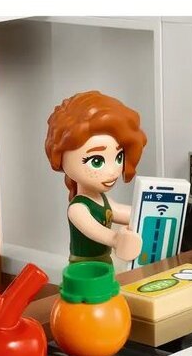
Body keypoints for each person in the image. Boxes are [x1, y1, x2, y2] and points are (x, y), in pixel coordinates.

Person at [45, 91, 147, 264]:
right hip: (83, 268)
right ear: (61, 160)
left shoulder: (102, 200)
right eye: (97, 161)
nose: (112, 171)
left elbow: (128, 213)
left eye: (119, 157)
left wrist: (152, 211)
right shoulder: (78, 209)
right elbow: (96, 231)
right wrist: (116, 240)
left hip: (104, 262)